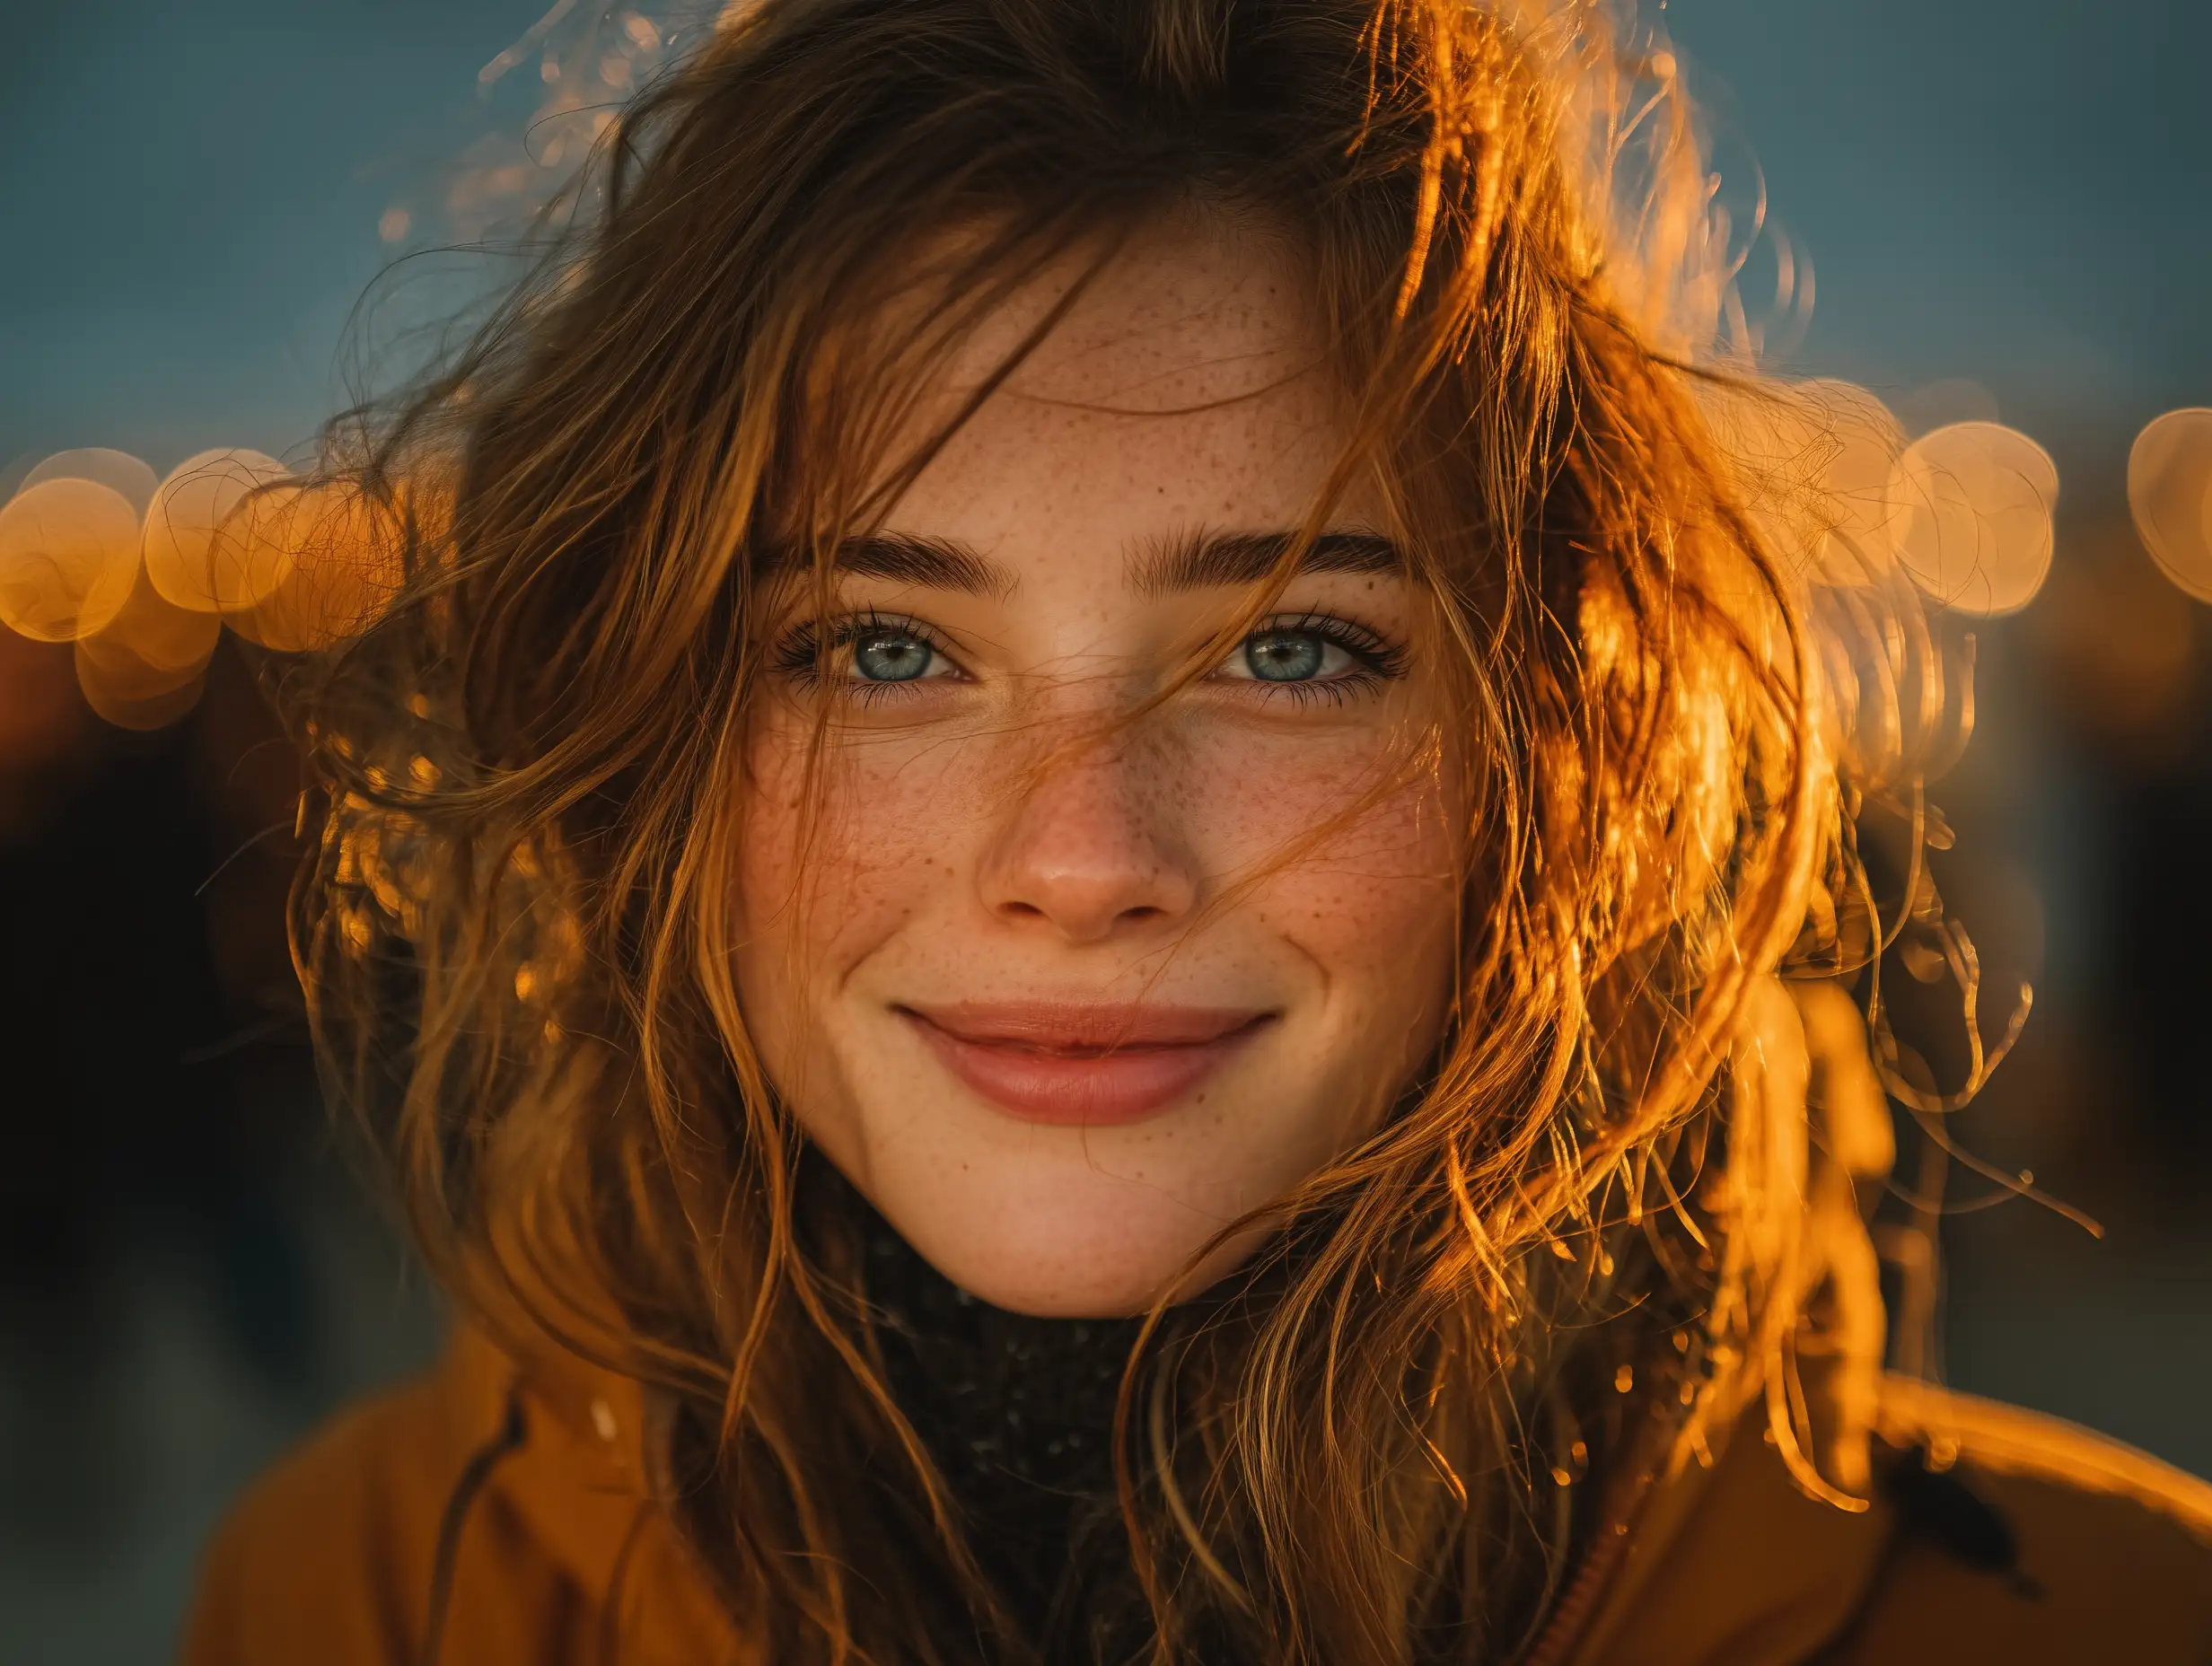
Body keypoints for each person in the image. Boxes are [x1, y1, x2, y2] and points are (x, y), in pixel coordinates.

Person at [185, 1, 2212, 1660]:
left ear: (1552, 733)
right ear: (642, 741)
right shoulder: (360, 1600)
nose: (1079, 855)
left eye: (1291, 650)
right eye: (883, 647)